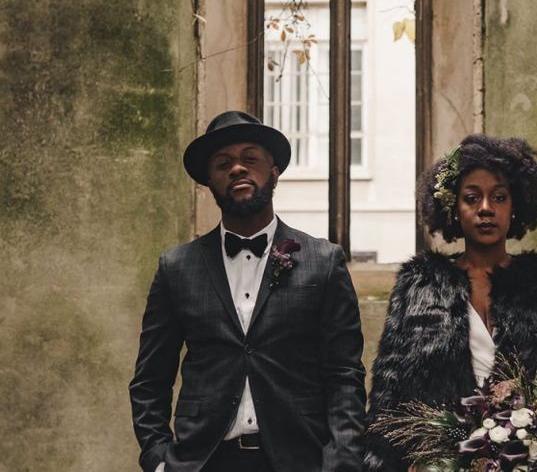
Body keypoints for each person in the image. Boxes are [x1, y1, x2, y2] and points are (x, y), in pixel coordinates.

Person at [130, 110, 366, 472]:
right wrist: (159, 459)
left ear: (274, 172)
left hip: (298, 459)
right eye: (223, 163)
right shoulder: (176, 267)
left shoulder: (323, 261)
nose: (237, 168)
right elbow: (150, 380)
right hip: (203, 461)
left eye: (250, 159)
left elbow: (344, 376)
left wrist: (341, 462)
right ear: (210, 181)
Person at [363, 134, 537, 472]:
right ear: (453, 209)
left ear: (515, 205)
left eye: (499, 197)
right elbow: (388, 399)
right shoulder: (419, 285)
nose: (486, 208)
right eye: (472, 198)